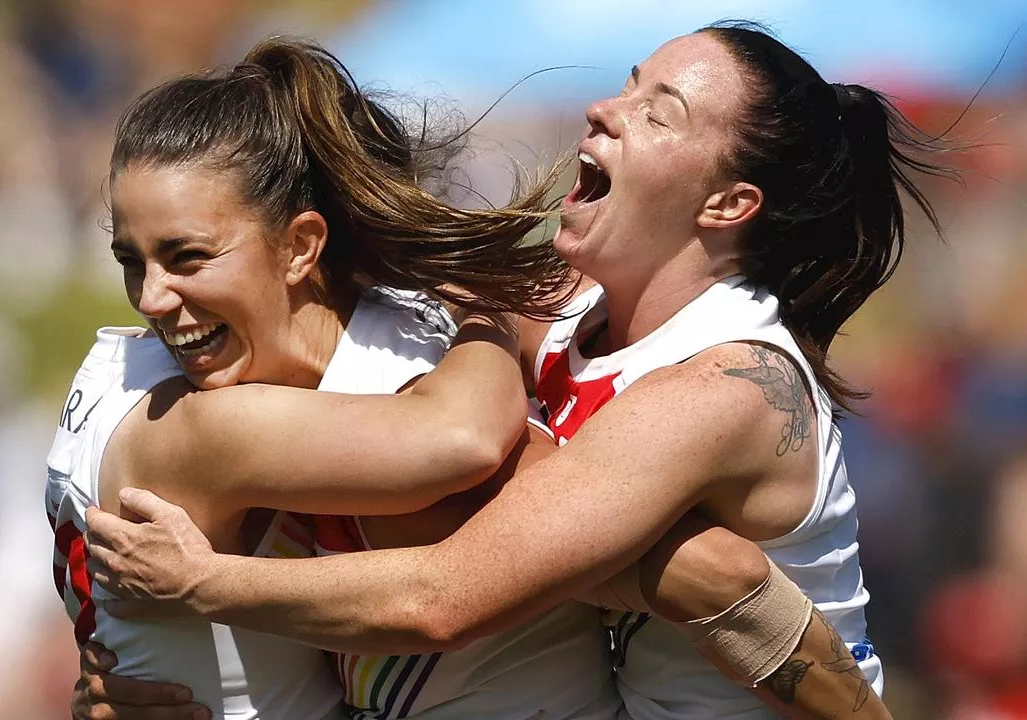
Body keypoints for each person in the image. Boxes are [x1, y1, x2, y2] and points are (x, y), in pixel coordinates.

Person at [86, 21, 955, 719]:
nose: (605, 111)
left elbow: (445, 598)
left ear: (728, 205)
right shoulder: (567, 307)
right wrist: (157, 660)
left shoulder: (726, 388)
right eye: (626, 84)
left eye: (659, 113)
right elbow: (374, 283)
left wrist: (202, 586)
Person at [48, 36, 627, 720]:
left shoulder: (129, 364)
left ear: (301, 247)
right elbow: (459, 440)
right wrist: (486, 297)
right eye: (132, 260)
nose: (149, 298)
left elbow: (669, 569)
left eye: (186, 257)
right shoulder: (203, 423)